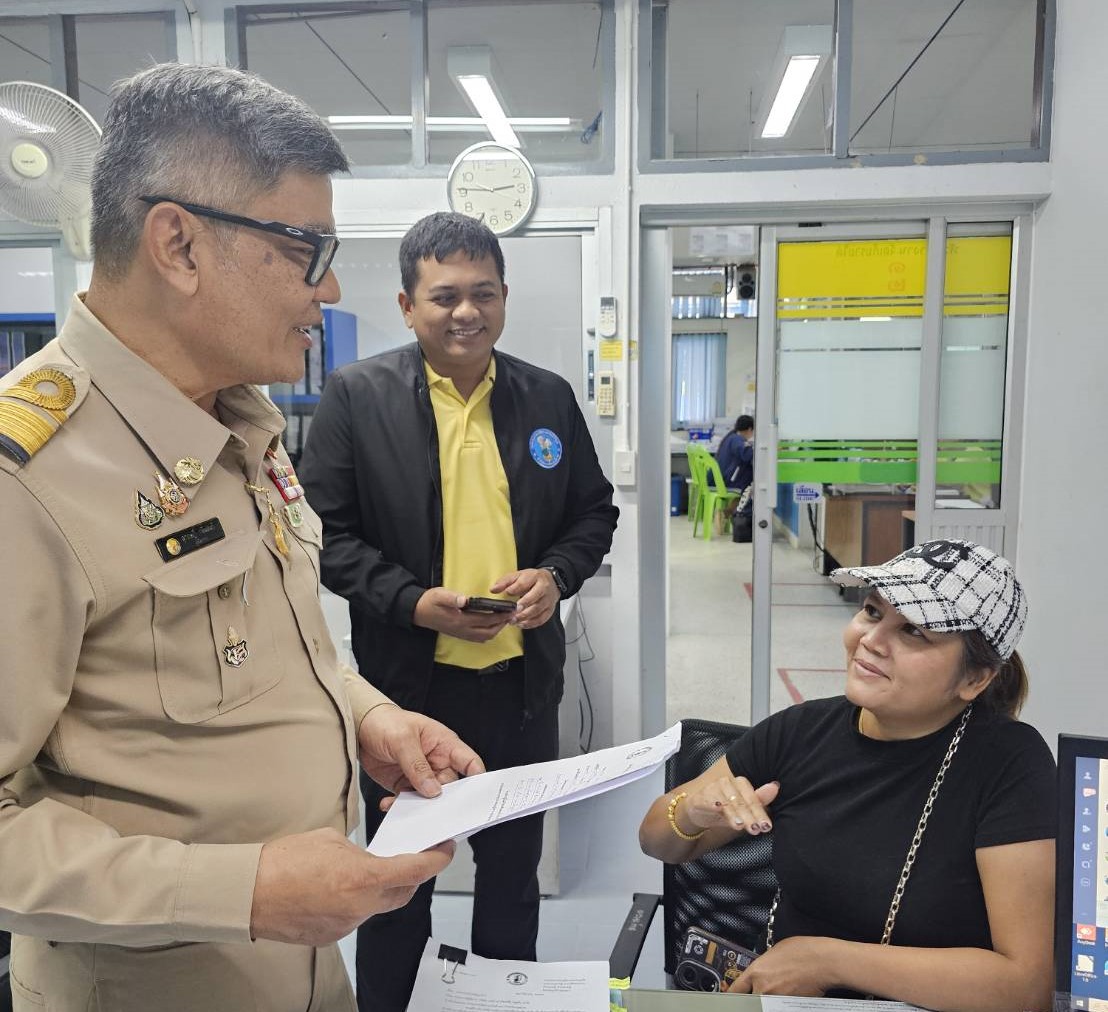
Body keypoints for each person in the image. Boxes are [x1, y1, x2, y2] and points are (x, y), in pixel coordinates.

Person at [0, 64, 487, 1012]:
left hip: (303, 974)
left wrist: (364, 715)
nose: (332, 285)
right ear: (177, 244)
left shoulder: (237, 425)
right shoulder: (30, 484)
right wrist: (245, 892)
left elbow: (257, 646)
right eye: (307, 248)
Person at [298, 211, 619, 1011]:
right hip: (410, 699)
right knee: (398, 884)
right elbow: (321, 537)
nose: (465, 312)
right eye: (444, 296)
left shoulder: (546, 397)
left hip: (520, 691)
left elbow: (594, 513)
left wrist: (555, 575)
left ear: (504, 298)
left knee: (513, 887)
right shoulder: (356, 397)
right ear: (408, 306)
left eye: (483, 293)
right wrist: (412, 604)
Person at [639, 539, 1055, 1012]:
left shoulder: (1009, 764)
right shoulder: (799, 732)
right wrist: (691, 812)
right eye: (873, 613)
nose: (871, 641)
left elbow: (1025, 987)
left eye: (914, 632)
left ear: (974, 679)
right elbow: (656, 840)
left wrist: (826, 961)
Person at [714, 414, 754, 539]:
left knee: (748, 487)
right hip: (729, 479)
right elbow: (747, 455)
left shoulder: (731, 437)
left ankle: (726, 514)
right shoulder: (737, 440)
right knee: (751, 488)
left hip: (724, 477)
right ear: (749, 429)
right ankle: (730, 514)